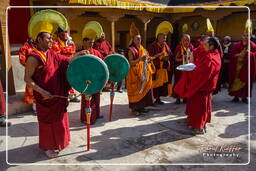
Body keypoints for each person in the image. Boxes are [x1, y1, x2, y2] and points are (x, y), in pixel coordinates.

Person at [24, 10, 88, 158]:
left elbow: (66, 60)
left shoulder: (52, 53)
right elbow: (27, 79)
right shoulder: (33, 58)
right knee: (48, 123)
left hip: (57, 94)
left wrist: (80, 53)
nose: (51, 41)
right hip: (45, 97)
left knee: (60, 119)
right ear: (39, 39)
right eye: (48, 38)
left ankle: (61, 141)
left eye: (52, 38)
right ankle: (48, 147)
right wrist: (41, 91)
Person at [174, 37, 221, 134]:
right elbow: (199, 66)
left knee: (200, 107)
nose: (203, 46)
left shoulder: (210, 56)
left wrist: (188, 71)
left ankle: (199, 126)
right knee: (197, 105)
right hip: (203, 85)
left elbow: (202, 71)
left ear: (211, 46)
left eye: (205, 44)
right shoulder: (213, 54)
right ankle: (196, 123)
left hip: (202, 85)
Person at [126, 23, 155, 115]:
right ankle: (134, 109)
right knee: (135, 91)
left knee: (143, 90)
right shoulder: (131, 50)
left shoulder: (142, 48)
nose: (139, 40)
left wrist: (150, 60)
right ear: (133, 40)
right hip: (133, 74)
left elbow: (147, 57)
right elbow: (130, 62)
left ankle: (141, 107)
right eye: (137, 39)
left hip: (142, 73)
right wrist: (139, 59)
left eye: (140, 39)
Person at [80, 21, 104, 125]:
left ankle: (96, 114)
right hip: (86, 80)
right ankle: (87, 118)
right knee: (87, 100)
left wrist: (102, 80)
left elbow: (102, 65)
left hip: (96, 79)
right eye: (89, 42)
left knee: (96, 98)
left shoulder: (96, 52)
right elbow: (78, 67)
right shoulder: (80, 53)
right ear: (84, 42)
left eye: (93, 43)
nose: (91, 44)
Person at [52, 27, 80, 103]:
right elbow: (57, 54)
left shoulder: (71, 42)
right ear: (58, 34)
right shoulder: (55, 43)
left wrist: (66, 51)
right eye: (62, 33)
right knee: (62, 81)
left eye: (66, 32)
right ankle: (63, 97)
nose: (65, 34)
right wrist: (67, 51)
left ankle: (72, 96)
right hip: (59, 65)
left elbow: (73, 51)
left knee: (71, 79)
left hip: (70, 64)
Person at [148, 21, 173, 105]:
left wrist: (167, 58)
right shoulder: (153, 45)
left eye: (165, 38)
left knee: (161, 85)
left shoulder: (165, 45)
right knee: (155, 85)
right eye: (163, 38)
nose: (164, 40)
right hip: (156, 68)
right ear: (158, 37)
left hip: (163, 68)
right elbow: (150, 57)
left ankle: (158, 99)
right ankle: (154, 99)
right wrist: (159, 55)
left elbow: (170, 53)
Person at [228, 31, 256, 104]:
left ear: (250, 36)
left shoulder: (253, 46)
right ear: (241, 36)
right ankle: (236, 96)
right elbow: (232, 55)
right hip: (237, 66)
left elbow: (255, 56)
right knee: (235, 81)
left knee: (246, 82)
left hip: (246, 67)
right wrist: (238, 55)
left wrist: (249, 54)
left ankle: (244, 97)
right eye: (244, 35)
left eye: (248, 35)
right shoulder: (236, 45)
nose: (246, 37)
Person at [173, 34, 194, 104]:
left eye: (188, 40)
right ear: (181, 40)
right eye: (185, 40)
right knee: (178, 83)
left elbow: (194, 57)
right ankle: (178, 98)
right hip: (180, 68)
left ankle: (185, 97)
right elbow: (176, 59)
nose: (186, 42)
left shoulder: (191, 47)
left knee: (187, 83)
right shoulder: (179, 47)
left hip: (188, 68)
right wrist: (184, 58)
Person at [19, 38, 36, 113]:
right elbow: (22, 59)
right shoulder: (25, 46)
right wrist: (30, 65)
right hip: (30, 70)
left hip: (41, 69)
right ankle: (35, 107)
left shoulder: (40, 45)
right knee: (32, 87)